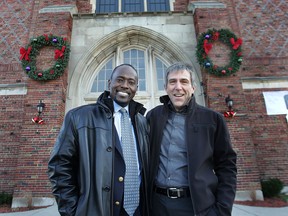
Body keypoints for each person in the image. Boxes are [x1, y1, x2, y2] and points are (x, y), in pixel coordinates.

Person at [48, 64, 149, 216]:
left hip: (138, 210)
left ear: (136, 87)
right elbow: (59, 166)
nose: (125, 86)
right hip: (97, 210)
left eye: (131, 82)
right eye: (120, 80)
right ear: (109, 83)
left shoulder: (142, 122)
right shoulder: (79, 117)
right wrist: (71, 211)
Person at [146, 62, 237, 216]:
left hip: (195, 207)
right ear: (166, 87)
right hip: (157, 204)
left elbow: (227, 167)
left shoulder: (213, 120)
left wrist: (221, 210)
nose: (178, 87)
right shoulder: (153, 116)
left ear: (193, 88)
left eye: (184, 81)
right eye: (172, 82)